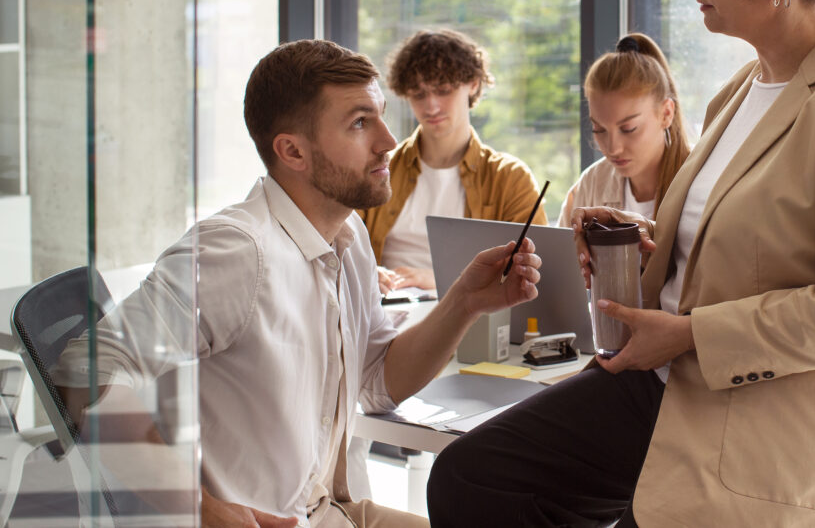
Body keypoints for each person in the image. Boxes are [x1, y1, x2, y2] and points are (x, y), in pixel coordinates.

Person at [427, 0, 815, 527]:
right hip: (661, 385)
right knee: (471, 478)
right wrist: (634, 248)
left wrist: (689, 334)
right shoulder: (740, 92)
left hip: (750, 415)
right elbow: (728, 251)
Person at [54, 39, 542, 527]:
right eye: (359, 123)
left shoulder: (347, 234)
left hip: (328, 510)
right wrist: (204, 511)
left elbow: (375, 381)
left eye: (380, 116)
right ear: (292, 151)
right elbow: (83, 372)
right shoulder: (236, 251)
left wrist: (463, 303)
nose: (388, 141)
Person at [359, 29, 547, 294]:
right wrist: (365, 272)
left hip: (470, 318)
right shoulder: (379, 168)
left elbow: (533, 276)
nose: (431, 106)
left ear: (473, 83)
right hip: (386, 312)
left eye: (443, 90)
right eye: (419, 94)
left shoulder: (510, 177)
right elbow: (339, 248)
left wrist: (437, 279)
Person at [557, 33, 691, 226]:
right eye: (599, 129)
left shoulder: (703, 180)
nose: (613, 149)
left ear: (666, 113)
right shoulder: (591, 183)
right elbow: (561, 253)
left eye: (628, 129)